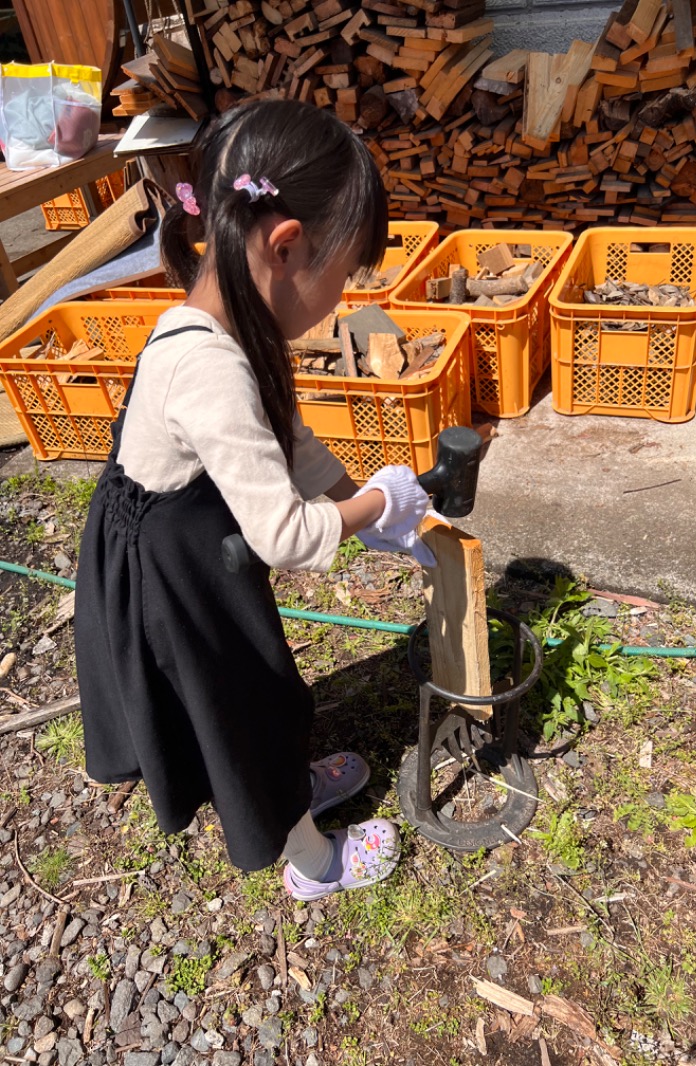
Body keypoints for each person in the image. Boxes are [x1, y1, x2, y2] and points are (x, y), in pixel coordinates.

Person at [74, 98, 435, 903]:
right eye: (343, 277)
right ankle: (312, 861)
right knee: (248, 712)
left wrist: (361, 494)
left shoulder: (232, 321)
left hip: (197, 553)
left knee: (264, 700)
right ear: (285, 246)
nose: (342, 300)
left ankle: (291, 786)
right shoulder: (209, 367)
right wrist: (378, 505)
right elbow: (289, 537)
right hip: (175, 584)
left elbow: (290, 441)